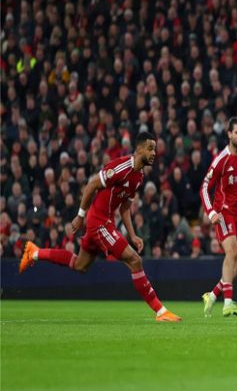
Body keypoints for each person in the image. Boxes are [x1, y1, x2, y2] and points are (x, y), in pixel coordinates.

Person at [19, 132, 181, 322]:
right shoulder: (120, 167)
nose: (154, 153)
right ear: (139, 149)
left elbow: (125, 208)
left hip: (105, 222)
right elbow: (91, 186)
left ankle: (34, 252)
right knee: (135, 260)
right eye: (150, 148)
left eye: (155, 149)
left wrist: (133, 235)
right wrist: (80, 216)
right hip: (98, 222)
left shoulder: (139, 177)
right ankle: (160, 311)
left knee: (80, 265)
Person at [200, 117, 237, 317]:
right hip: (223, 212)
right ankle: (228, 303)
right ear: (229, 134)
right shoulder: (221, 161)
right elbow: (204, 188)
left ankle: (213, 295)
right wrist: (211, 212)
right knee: (232, 253)